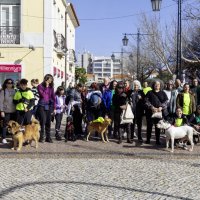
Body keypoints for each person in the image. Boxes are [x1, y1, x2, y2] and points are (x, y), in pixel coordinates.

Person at [144, 80, 168, 145]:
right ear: (153, 85)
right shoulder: (149, 92)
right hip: (150, 112)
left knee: (158, 126)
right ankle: (148, 139)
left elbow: (166, 102)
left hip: (159, 112)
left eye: (158, 84)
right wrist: (151, 107)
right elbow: (146, 101)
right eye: (155, 84)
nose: (157, 85)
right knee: (149, 126)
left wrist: (161, 107)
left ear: (160, 86)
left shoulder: (163, 93)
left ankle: (157, 140)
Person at [37, 74, 55, 143]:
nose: (50, 81)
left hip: (49, 106)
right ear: (45, 79)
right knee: (43, 121)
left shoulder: (51, 87)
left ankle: (48, 137)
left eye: (51, 79)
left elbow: (53, 98)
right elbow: (43, 95)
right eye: (48, 79)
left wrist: (54, 107)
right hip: (42, 106)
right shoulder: (40, 86)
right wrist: (46, 87)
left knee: (48, 122)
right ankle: (41, 137)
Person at [0, 79, 16, 144]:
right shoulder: (3, 91)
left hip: (14, 111)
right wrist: (1, 111)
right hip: (6, 110)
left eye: (11, 83)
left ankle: (13, 137)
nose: (10, 84)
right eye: (8, 83)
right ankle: (3, 138)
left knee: (13, 125)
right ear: (6, 83)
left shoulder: (14, 91)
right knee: (5, 125)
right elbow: (0, 102)